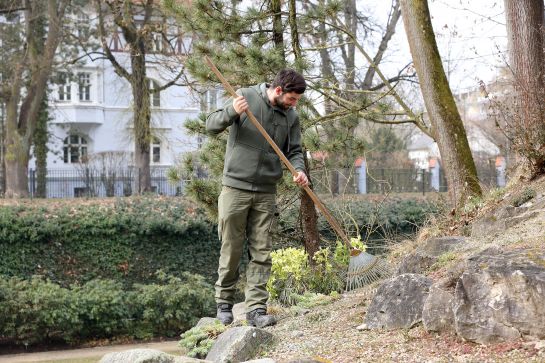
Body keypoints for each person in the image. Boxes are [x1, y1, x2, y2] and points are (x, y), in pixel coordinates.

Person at [206, 69, 309, 328]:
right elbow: (210, 126)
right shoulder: (245, 96)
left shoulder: (291, 117)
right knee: (231, 248)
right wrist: (232, 111)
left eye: (296, 100)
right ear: (278, 91)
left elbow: (294, 150)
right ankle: (224, 305)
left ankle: (256, 310)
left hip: (266, 192)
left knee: (262, 252)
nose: (294, 104)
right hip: (235, 189)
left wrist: (299, 170)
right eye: (292, 99)